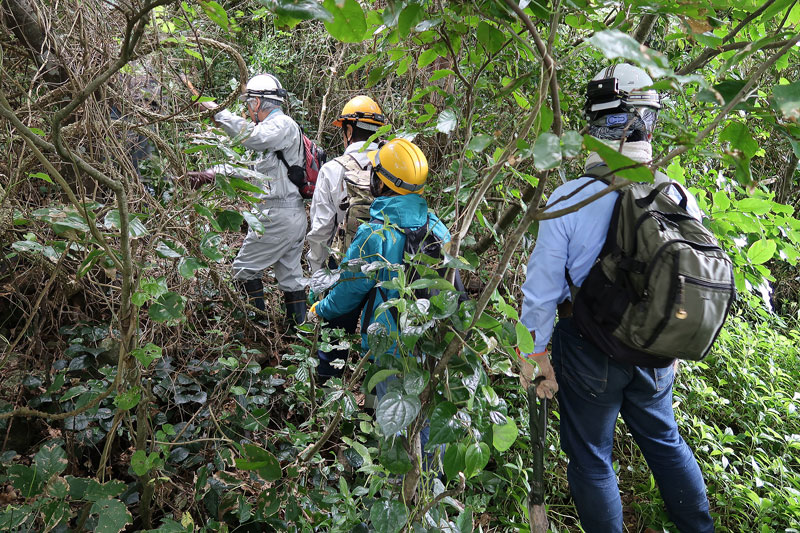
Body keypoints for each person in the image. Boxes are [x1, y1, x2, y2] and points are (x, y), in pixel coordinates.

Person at [519, 63, 713, 533]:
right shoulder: (676, 195)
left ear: (596, 123)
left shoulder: (568, 199)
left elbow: (541, 293)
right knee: (665, 441)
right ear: (649, 122)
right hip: (655, 348)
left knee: (590, 458)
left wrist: (534, 355)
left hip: (589, 350)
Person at [190, 73, 307, 326]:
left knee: (243, 270)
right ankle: (296, 337)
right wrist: (211, 174)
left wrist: (218, 113)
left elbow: (252, 138)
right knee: (290, 276)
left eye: (248, 104)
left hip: (278, 215)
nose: (247, 109)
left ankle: (257, 330)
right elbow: (250, 168)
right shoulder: (274, 131)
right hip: (290, 215)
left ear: (256, 103)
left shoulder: (282, 125)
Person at [306, 95, 387, 381]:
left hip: (347, 269)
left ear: (348, 130)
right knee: (383, 345)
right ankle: (375, 410)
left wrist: (318, 277)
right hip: (390, 269)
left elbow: (321, 231)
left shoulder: (332, 169)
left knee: (334, 344)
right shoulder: (395, 166)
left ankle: (329, 397)